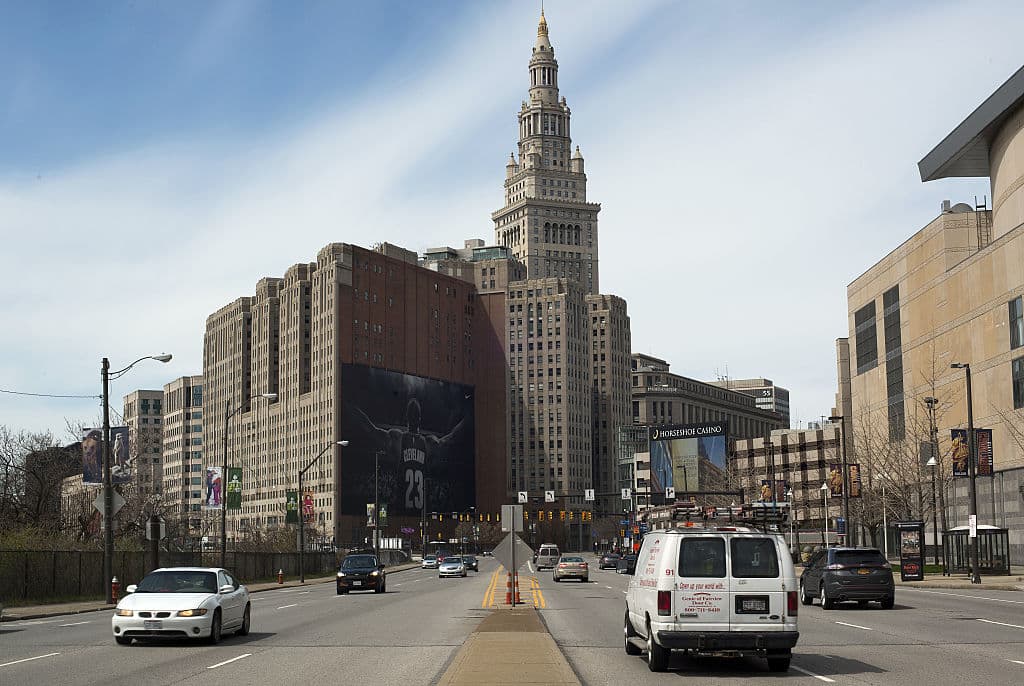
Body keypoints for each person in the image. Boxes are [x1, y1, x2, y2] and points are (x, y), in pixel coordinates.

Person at [354, 396, 468, 513]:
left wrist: (350, 405)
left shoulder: (398, 439)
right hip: (422, 514)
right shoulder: (429, 443)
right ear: (420, 419)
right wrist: (470, 416)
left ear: (406, 418)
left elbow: (370, 429)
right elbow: (452, 437)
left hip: (403, 511)